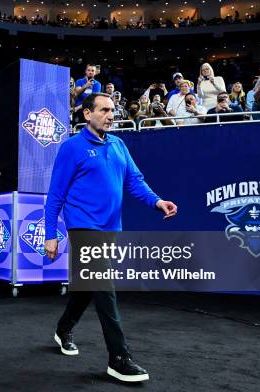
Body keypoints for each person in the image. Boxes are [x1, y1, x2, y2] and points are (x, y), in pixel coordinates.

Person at [44, 93, 177, 383]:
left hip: (110, 228)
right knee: (104, 286)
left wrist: (157, 202)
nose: (110, 115)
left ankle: (63, 328)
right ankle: (119, 358)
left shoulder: (119, 144)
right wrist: (50, 233)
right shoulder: (72, 148)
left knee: (88, 286)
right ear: (87, 114)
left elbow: (134, 181)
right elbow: (55, 195)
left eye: (112, 110)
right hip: (83, 227)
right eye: (104, 110)